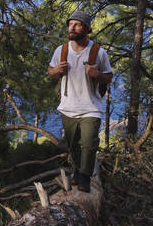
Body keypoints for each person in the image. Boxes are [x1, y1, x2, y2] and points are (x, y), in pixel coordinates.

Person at [48, 11, 113, 192]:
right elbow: (51, 72)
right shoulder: (61, 50)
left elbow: (108, 77)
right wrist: (56, 71)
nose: (72, 27)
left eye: (77, 24)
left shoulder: (98, 52)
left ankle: (84, 177)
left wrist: (96, 74)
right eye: (70, 24)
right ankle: (78, 170)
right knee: (73, 145)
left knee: (89, 143)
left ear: (87, 28)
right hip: (68, 107)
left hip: (91, 107)